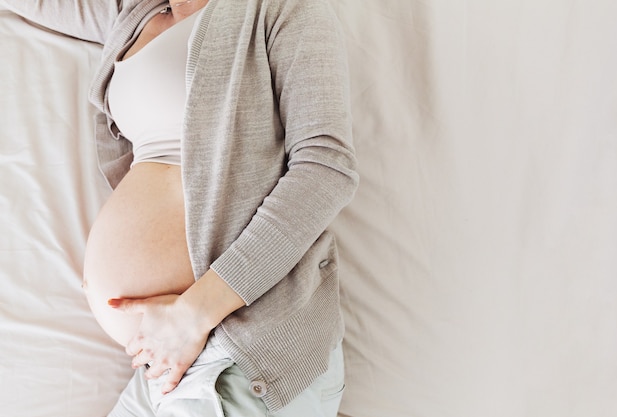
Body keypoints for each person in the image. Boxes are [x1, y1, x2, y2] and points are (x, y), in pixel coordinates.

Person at [1, 0, 358, 416]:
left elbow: (326, 167)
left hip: (242, 349)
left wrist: (193, 314)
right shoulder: (135, 12)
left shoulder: (281, 9)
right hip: (164, 361)